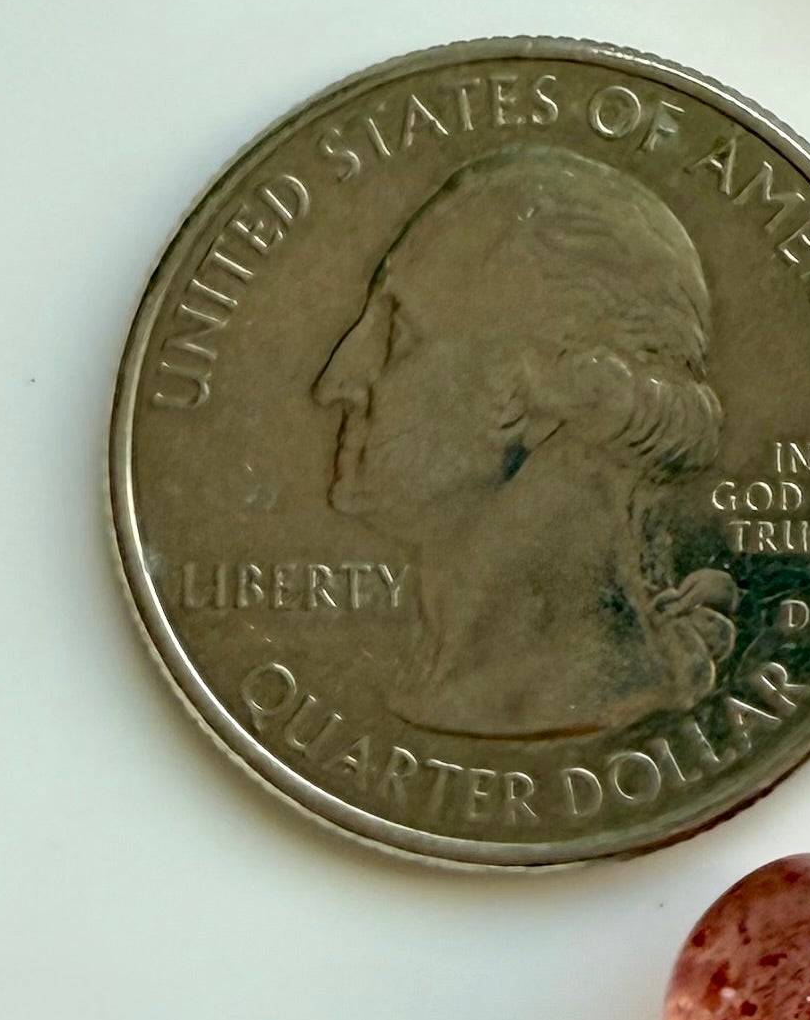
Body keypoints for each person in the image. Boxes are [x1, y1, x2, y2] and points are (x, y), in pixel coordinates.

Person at [313, 143, 737, 739]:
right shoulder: (429, 687)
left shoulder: (580, 694)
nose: (338, 382)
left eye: (399, 331)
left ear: (549, 394)